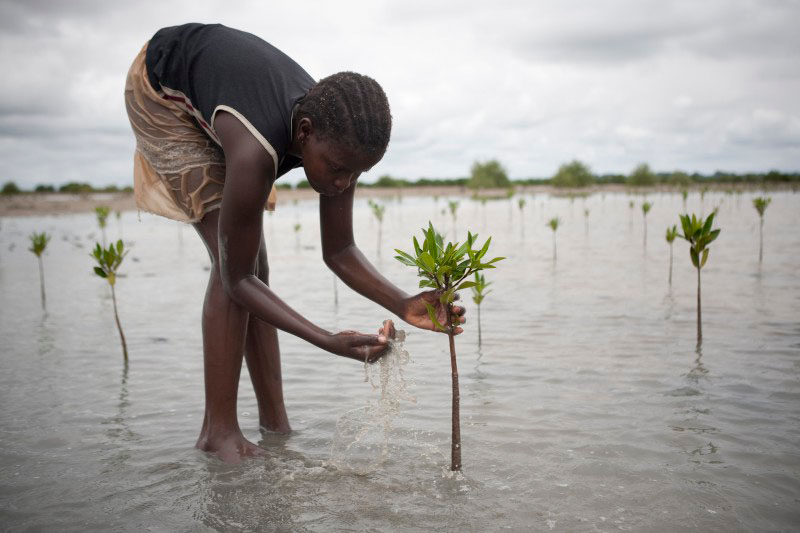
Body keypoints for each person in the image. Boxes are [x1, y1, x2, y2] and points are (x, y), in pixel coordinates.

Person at [124, 23, 466, 463]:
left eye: (357, 174)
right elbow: (237, 278)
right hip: (162, 88)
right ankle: (218, 433)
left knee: (253, 268)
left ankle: (275, 425)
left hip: (227, 92)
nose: (344, 182)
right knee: (237, 266)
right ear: (304, 133)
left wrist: (403, 303)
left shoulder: (339, 138)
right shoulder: (256, 149)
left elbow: (339, 250)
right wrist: (327, 340)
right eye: (339, 168)